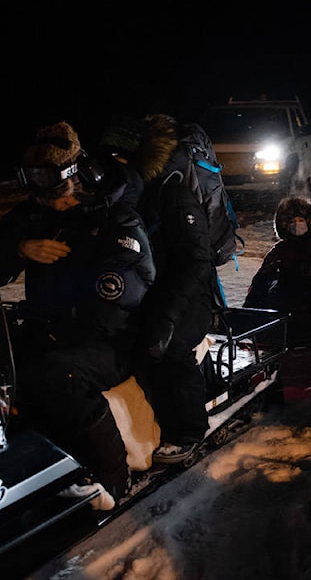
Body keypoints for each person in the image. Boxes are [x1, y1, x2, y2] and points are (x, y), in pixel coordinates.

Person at [0, 121, 156, 511]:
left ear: (78, 177)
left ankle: (110, 479)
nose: (51, 203)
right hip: (49, 329)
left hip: (109, 338)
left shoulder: (116, 218)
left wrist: (86, 293)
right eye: (38, 189)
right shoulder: (36, 214)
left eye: (55, 191)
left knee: (56, 374)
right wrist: (20, 249)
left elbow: (130, 282)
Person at [98, 113, 215, 465]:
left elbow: (196, 260)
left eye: (120, 159)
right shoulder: (118, 197)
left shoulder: (171, 194)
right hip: (140, 292)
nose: (113, 167)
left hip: (185, 296)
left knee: (167, 346)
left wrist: (166, 315)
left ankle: (188, 431)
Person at [243, 195, 311, 340]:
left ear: (309, 222)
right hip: (284, 305)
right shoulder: (280, 249)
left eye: (301, 220)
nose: (297, 224)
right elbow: (262, 279)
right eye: (292, 221)